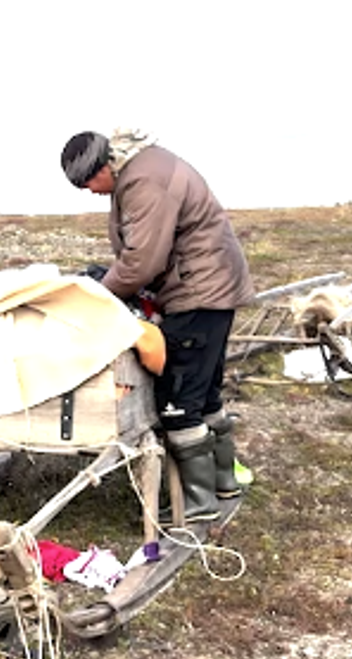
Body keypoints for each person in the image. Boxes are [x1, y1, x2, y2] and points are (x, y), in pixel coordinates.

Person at [60, 129, 255, 524]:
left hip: (198, 291)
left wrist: (99, 295)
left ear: (103, 167)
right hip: (211, 287)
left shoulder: (143, 181)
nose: (88, 192)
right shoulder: (143, 168)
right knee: (204, 392)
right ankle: (223, 481)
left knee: (178, 399)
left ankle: (197, 503)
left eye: (87, 183)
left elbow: (142, 260)